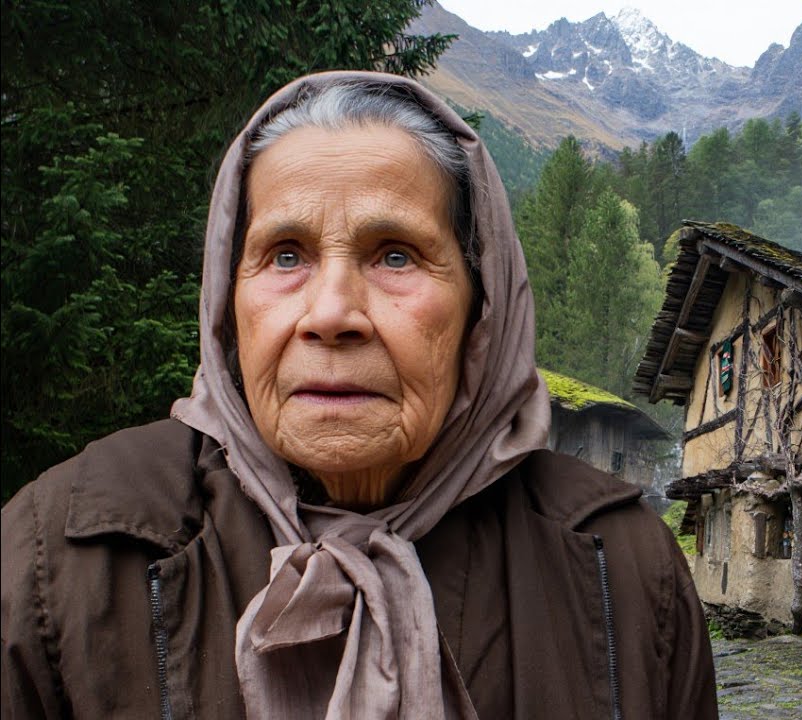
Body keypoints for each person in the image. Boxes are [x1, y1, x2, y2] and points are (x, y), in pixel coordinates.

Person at [1, 71, 718, 719]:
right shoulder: (57, 555)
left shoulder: (623, 567)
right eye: (285, 255)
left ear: (481, 309)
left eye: (395, 254)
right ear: (227, 302)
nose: (331, 314)